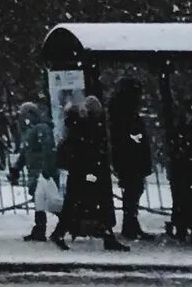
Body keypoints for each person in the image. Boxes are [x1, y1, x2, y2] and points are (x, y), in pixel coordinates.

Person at [53, 88, 121, 252]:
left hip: (83, 173)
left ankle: (61, 232)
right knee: (94, 204)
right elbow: (90, 151)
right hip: (90, 173)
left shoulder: (79, 126)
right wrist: (93, 172)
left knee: (77, 204)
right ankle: (106, 236)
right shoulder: (89, 127)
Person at [109, 76, 154, 244]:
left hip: (128, 158)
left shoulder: (119, 110)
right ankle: (130, 225)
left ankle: (131, 224)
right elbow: (131, 136)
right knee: (133, 192)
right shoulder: (125, 113)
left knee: (132, 192)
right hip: (131, 158)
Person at [9, 98, 61, 242]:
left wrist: (46, 170)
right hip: (36, 172)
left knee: (50, 202)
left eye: (24, 115)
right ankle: (40, 229)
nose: (22, 118)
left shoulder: (41, 129)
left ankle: (62, 224)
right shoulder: (30, 130)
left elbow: (47, 150)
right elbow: (26, 153)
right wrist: (16, 168)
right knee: (41, 201)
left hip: (42, 173)